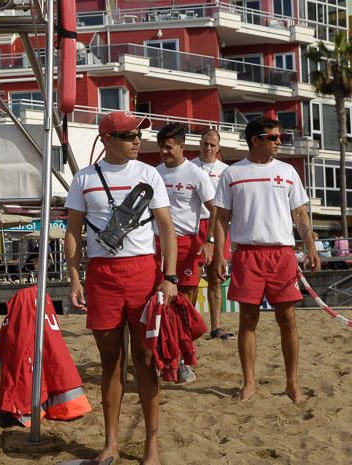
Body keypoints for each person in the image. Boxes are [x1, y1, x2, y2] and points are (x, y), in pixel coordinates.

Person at [64, 111, 177, 465]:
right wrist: (74, 276)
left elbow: (167, 229)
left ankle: (151, 448)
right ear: (108, 139)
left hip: (142, 272)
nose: (137, 141)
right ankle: (111, 444)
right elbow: (72, 231)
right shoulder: (84, 179)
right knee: (110, 360)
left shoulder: (149, 175)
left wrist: (169, 277)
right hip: (102, 275)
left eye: (137, 135)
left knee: (145, 360)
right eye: (129, 136)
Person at [213, 117, 320, 403]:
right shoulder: (232, 174)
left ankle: (292, 383)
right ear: (255, 140)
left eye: (279, 136)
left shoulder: (287, 172)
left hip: (282, 253)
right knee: (248, 320)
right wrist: (220, 255)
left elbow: (300, 213)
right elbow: (221, 218)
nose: (278, 142)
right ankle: (249, 383)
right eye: (272, 137)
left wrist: (311, 246)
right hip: (247, 253)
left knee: (288, 319)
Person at [154, 122, 215, 383]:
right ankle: (165, 356)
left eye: (169, 147)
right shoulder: (153, 174)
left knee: (184, 305)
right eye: (161, 148)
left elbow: (216, 209)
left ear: (182, 146)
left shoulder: (196, 173)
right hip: (156, 246)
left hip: (187, 246)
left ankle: (184, 359)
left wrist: (209, 241)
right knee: (158, 303)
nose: (164, 152)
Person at [191, 129, 235, 341]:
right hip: (193, 226)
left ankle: (216, 326)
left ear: (218, 148)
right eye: (205, 144)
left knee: (216, 278)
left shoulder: (226, 171)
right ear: (200, 144)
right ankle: (188, 324)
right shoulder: (189, 166)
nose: (208, 148)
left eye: (212, 145)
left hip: (218, 227)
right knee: (191, 278)